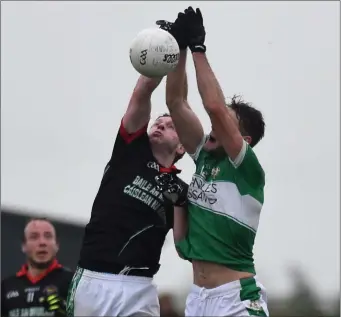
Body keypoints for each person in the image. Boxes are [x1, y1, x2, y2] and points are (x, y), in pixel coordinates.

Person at [159, 7, 269, 316]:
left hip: (236, 299)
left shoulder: (246, 169)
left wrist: (198, 48)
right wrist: (177, 48)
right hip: (198, 300)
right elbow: (176, 102)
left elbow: (214, 107)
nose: (213, 127)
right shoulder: (205, 156)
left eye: (224, 125)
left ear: (243, 140)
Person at [66, 74, 188, 316]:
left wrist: (181, 205)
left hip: (139, 287)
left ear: (182, 147)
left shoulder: (180, 191)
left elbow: (184, 247)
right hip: (94, 277)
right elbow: (142, 92)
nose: (160, 125)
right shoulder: (129, 149)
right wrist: (164, 55)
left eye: (171, 125)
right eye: (158, 123)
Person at [1, 218, 73, 317]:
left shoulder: (73, 283)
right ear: (23, 246)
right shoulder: (6, 287)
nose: (42, 242)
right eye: (34, 237)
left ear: (57, 245)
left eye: (48, 236)